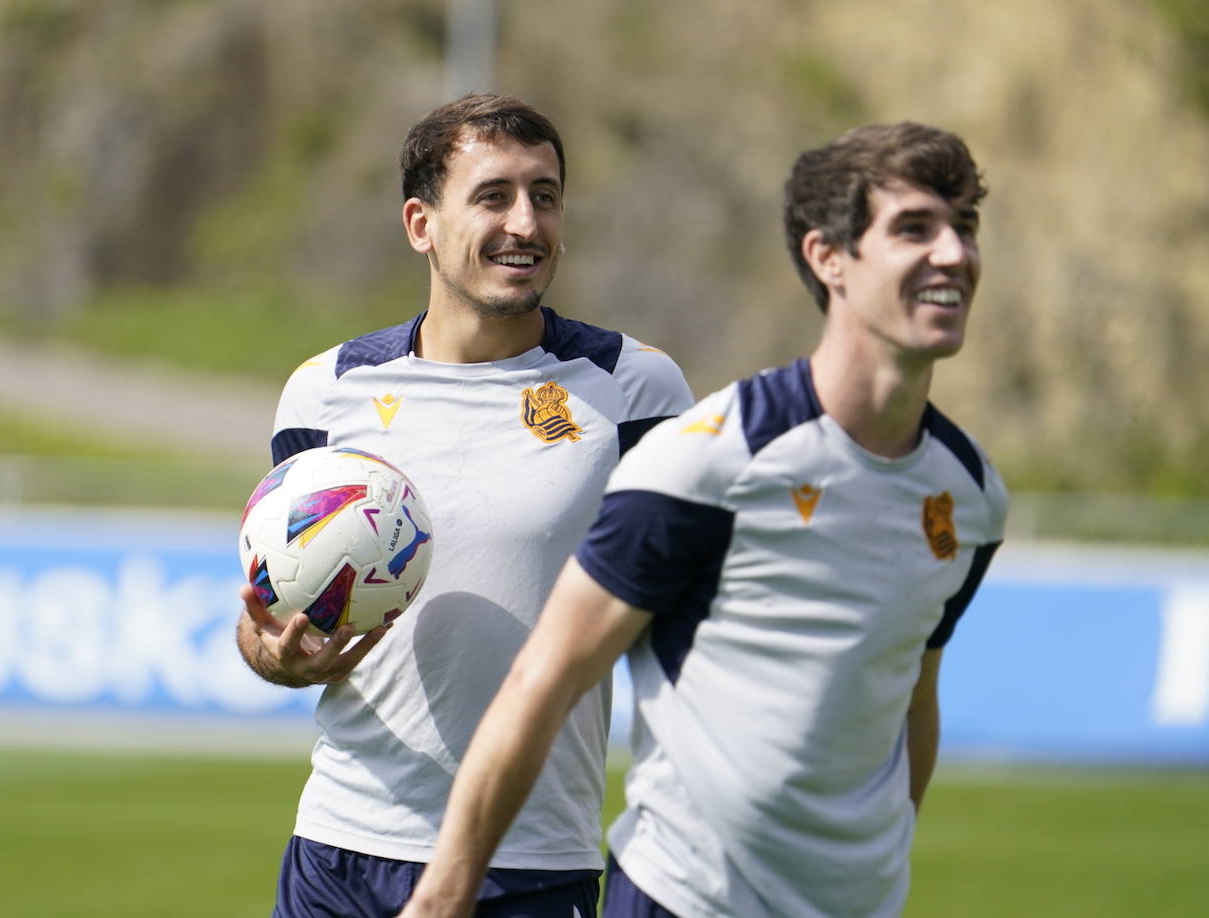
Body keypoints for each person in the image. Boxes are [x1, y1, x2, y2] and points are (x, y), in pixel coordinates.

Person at [398, 121, 1009, 918]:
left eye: (964, 228)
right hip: (683, 900)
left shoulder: (971, 494)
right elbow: (542, 681)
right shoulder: (706, 460)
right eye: (915, 230)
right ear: (830, 259)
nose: (955, 255)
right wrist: (445, 895)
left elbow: (912, 692)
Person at [236, 93, 694, 918]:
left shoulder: (634, 389)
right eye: (494, 196)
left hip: (530, 863)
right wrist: (274, 655)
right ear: (422, 224)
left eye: (545, 196)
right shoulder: (325, 393)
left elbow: (686, 616)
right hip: (339, 853)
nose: (526, 222)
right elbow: (271, 610)